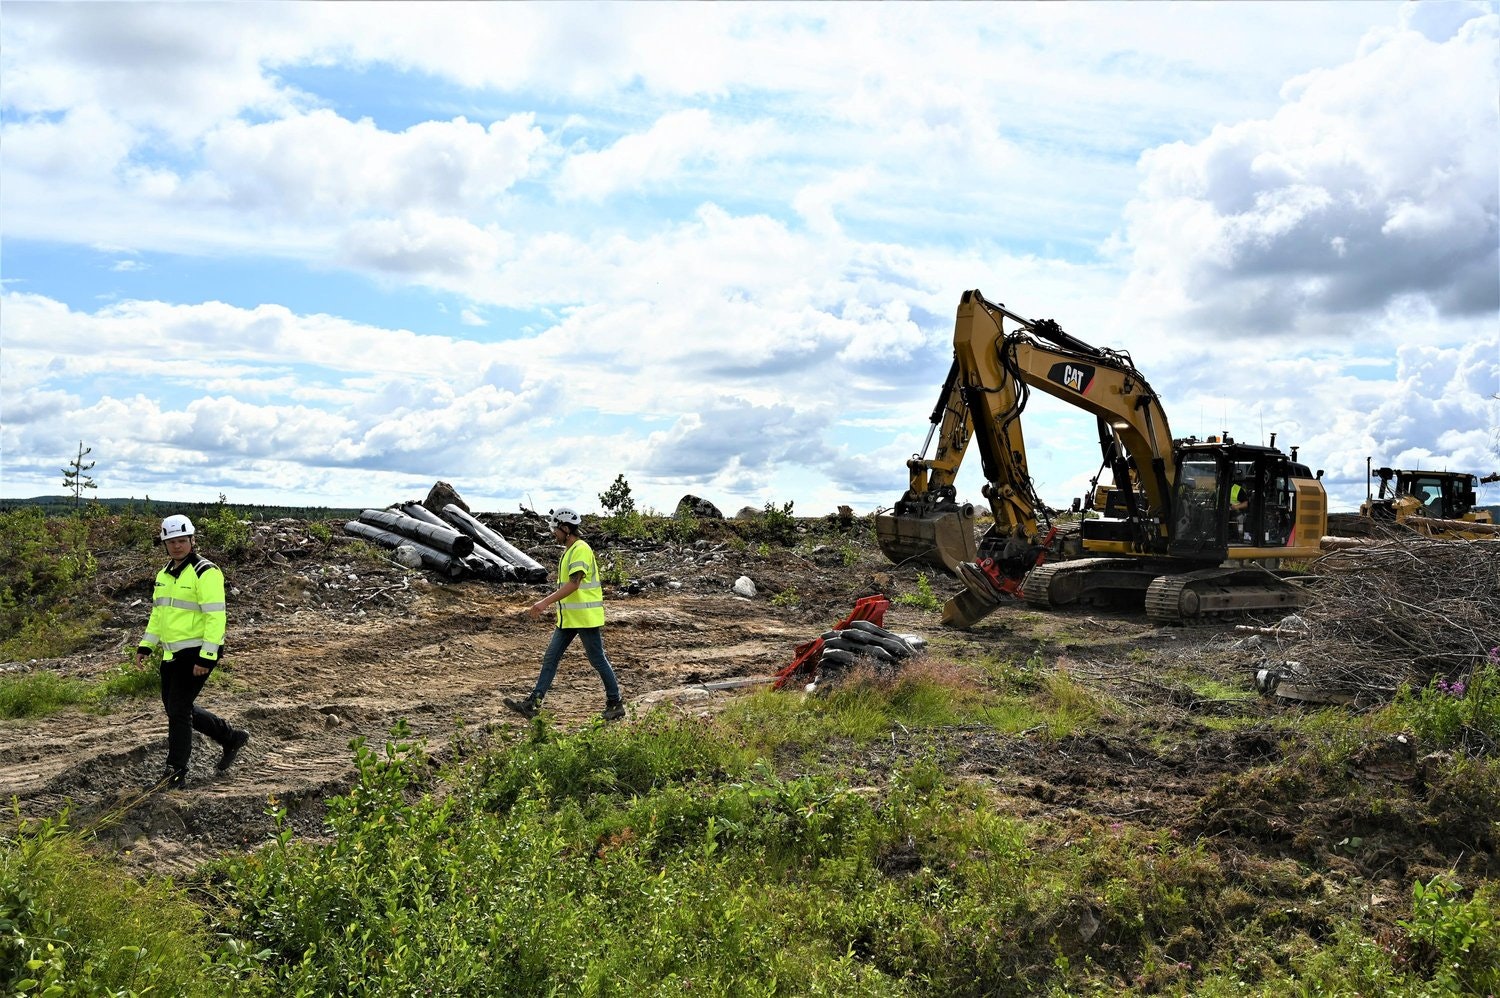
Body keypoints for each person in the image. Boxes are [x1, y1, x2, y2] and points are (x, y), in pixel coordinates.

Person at [137, 514, 249, 788]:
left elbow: (215, 617)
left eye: (182, 541)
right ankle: (230, 737)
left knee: (178, 710)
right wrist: (146, 645)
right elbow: (158, 615)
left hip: (197, 652)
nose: (177, 546)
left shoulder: (205, 571)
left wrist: (206, 656)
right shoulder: (164, 574)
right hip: (171, 653)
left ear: (192, 541)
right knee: (176, 707)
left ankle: (175, 773)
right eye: (171, 541)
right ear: (165, 544)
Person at [505, 507, 625, 721]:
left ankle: (615, 702)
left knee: (597, 659)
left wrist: (544, 602)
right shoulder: (569, 551)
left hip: (584, 619)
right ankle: (533, 703)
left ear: (566, 529)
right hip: (569, 619)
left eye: (556, 529)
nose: (554, 533)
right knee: (551, 658)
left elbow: (574, 584)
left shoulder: (580, 549)